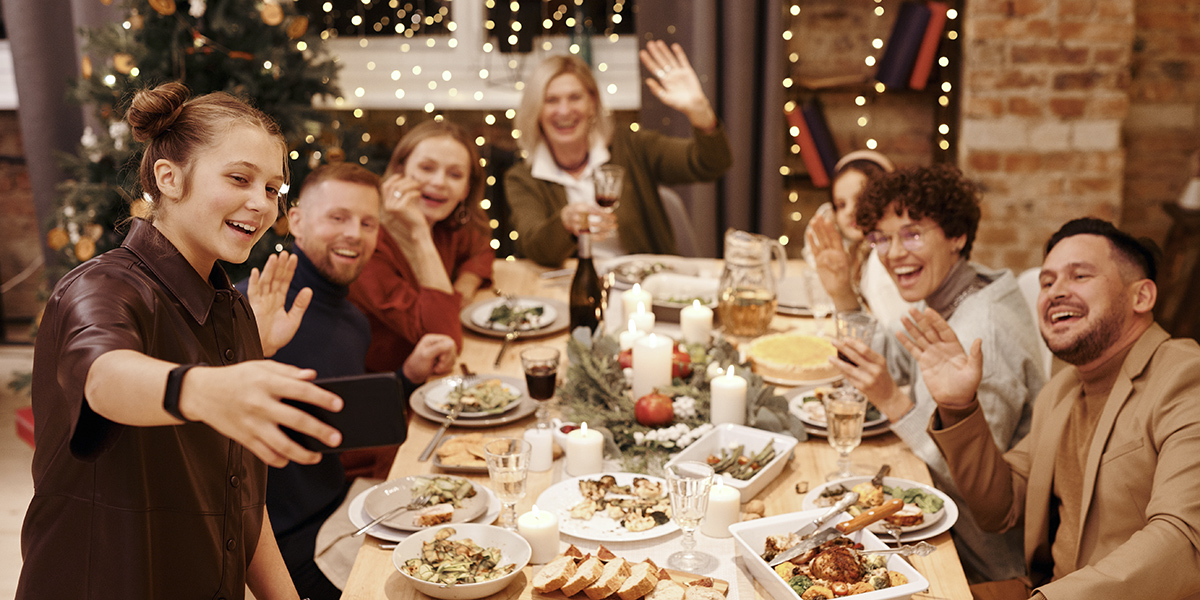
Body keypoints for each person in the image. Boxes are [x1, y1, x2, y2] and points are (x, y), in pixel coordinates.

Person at [17, 82, 343, 598]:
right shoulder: (99, 287)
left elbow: (240, 502)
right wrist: (204, 390)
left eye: (273, 189)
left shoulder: (232, 309)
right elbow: (103, 378)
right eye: (240, 178)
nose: (260, 204)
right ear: (169, 178)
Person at [909, 218, 1200, 599]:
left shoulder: (1185, 377)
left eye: (1079, 276)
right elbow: (1001, 508)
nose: (1055, 292)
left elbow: (1184, 540)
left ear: (1141, 297)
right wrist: (959, 408)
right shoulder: (1061, 390)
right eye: (1047, 282)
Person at [239, 163, 457, 598]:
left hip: (342, 506)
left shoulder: (352, 319)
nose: (355, 234)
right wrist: (254, 351)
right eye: (337, 218)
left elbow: (339, 407)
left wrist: (407, 376)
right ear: (296, 221)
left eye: (367, 222)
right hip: (285, 546)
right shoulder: (254, 308)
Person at [828, 165, 1045, 584]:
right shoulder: (956, 291)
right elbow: (898, 361)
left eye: (912, 234)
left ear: (956, 235)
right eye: (882, 239)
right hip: (942, 524)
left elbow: (973, 487)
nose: (892, 254)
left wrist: (893, 401)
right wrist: (841, 290)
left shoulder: (983, 331)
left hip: (979, 560)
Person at [505, 40, 733, 267]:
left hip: (643, 285)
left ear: (592, 103)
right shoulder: (522, 178)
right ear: (537, 110)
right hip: (572, 288)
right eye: (551, 100)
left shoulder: (632, 146)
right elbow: (534, 248)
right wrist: (565, 223)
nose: (564, 111)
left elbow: (711, 164)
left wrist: (700, 113)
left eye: (575, 97)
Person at [348, 120, 493, 374]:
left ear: (466, 189)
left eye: (455, 174)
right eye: (427, 168)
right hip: (387, 388)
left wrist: (465, 285)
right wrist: (420, 234)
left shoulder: (444, 223)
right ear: (399, 172)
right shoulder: (366, 242)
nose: (439, 182)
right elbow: (443, 338)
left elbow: (481, 248)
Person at [804, 150, 911, 329]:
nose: (851, 211)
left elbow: (896, 334)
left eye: (861, 199)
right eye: (841, 204)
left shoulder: (884, 259)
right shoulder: (855, 252)